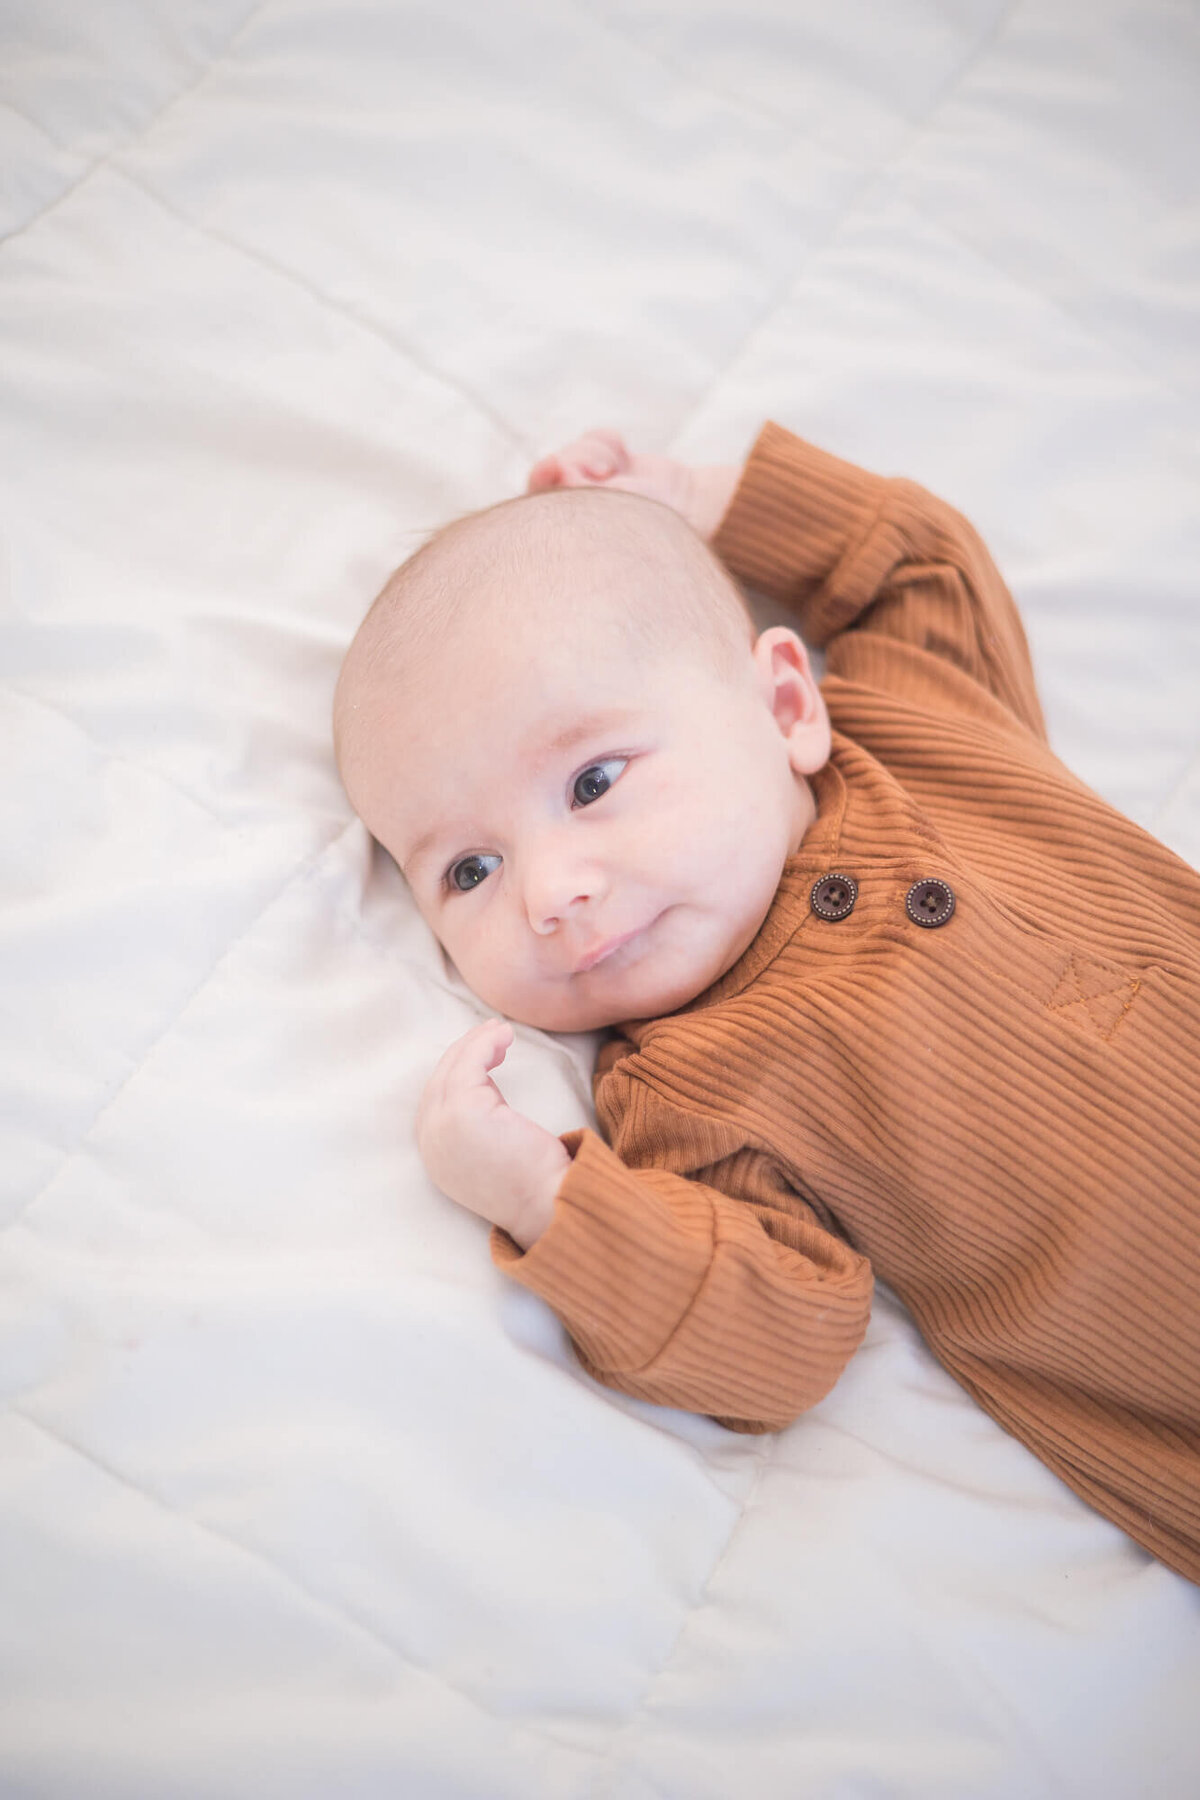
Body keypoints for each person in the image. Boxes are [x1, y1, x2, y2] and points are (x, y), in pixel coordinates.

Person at [332, 421, 1200, 1583]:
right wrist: (545, 1195)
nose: (552, 892)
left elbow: (921, 565)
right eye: (469, 872)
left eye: (593, 781)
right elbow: (773, 1343)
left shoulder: (916, 735)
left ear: (787, 706)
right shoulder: (684, 1094)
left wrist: (702, 496)